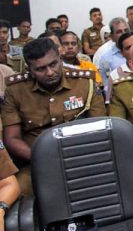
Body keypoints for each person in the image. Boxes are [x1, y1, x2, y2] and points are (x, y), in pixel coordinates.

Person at [2, 38, 106, 194]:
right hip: (37, 162)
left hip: (82, 158)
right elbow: (12, 139)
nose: (50, 72)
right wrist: (42, 158)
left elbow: (100, 129)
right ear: (29, 69)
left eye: (53, 64)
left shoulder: (85, 83)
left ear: (60, 58)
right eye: (40, 69)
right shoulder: (16, 91)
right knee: (17, 192)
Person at [96, 17, 130, 82]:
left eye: (126, 30)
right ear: (112, 37)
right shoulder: (105, 59)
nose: (124, 34)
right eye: (119, 32)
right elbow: (107, 84)